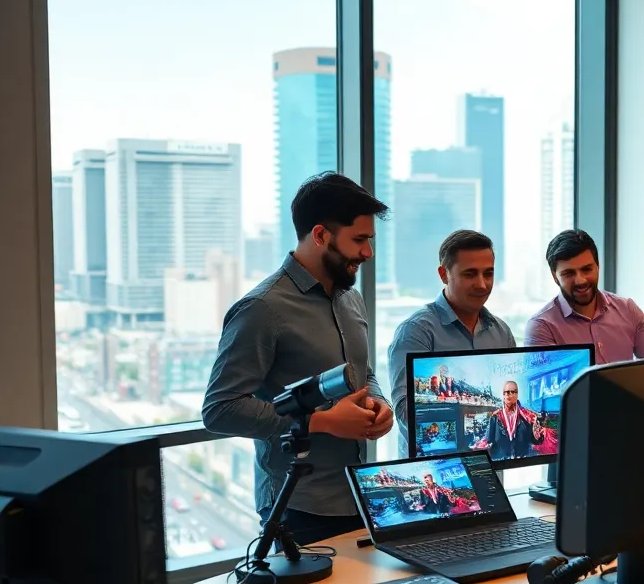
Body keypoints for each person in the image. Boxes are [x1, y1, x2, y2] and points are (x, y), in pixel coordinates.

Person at [203, 172, 394, 545]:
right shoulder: (262, 309)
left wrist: (379, 401)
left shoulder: (350, 298)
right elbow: (219, 410)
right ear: (320, 235)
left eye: (370, 240)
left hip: (362, 496)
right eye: (359, 240)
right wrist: (321, 422)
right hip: (298, 509)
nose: (368, 253)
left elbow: (362, 371)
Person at [388, 230, 515, 455]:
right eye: (470, 274)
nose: (482, 284)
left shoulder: (501, 332)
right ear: (443, 275)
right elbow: (405, 410)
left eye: (489, 273)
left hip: (491, 469)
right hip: (436, 468)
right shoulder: (416, 331)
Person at [525, 230, 644, 363]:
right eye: (569, 273)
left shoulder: (627, 309)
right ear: (554, 276)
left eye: (587, 269)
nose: (580, 280)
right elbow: (546, 384)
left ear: (598, 267)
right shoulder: (542, 326)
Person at [483, 381, 543, 461]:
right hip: (501, 463)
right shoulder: (495, 417)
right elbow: (487, 441)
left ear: (517, 395)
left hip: (522, 463)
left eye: (513, 392)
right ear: (503, 395)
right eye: (507, 392)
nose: (509, 394)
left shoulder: (527, 417)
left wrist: (537, 435)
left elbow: (535, 441)